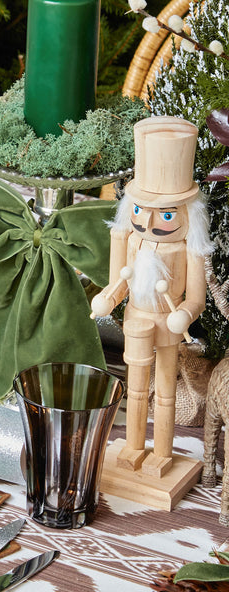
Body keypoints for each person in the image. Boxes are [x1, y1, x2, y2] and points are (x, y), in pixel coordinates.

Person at [91, 116, 213, 477]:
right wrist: (108, 299)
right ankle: (132, 447)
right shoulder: (129, 240)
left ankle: (161, 452)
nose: (148, 222)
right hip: (136, 320)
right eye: (139, 209)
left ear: (188, 214)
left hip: (168, 325)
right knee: (136, 390)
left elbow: (196, 299)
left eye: (167, 213)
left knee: (166, 392)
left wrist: (184, 314)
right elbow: (118, 283)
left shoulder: (189, 250)